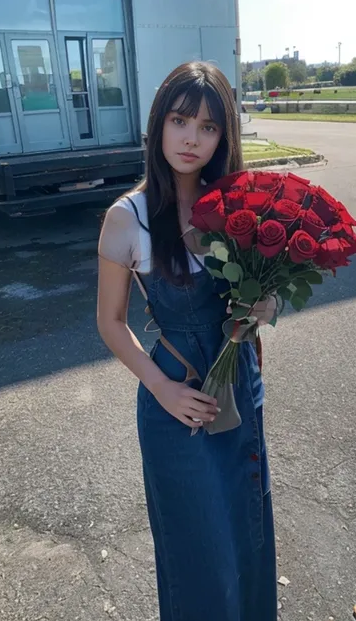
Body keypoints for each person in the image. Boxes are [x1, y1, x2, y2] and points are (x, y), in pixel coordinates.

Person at [97, 61, 277, 621]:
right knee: (199, 555)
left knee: (248, 538)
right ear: (159, 124)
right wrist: (162, 391)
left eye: (208, 126)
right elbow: (110, 321)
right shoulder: (126, 218)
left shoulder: (235, 207)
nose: (191, 138)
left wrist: (269, 306)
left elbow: (261, 295)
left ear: (224, 136)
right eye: (180, 120)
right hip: (177, 406)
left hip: (239, 394)